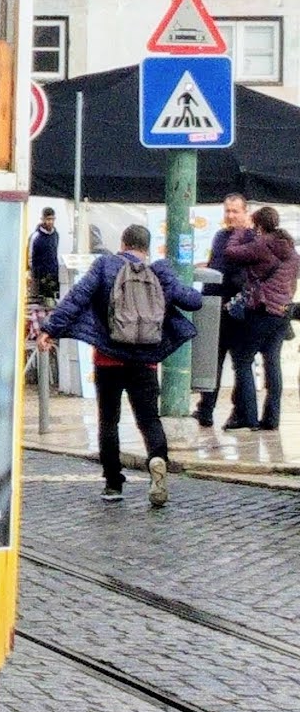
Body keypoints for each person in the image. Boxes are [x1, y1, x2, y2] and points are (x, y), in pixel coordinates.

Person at [42, 224, 202, 508]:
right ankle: (157, 461)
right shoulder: (159, 270)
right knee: (149, 419)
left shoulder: (105, 266)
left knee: (109, 420)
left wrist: (49, 329)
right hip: (146, 361)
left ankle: (113, 483)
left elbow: (76, 298)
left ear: (122, 243)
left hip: (108, 359)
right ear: (147, 248)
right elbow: (193, 301)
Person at [220, 206, 299, 431]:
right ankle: (272, 419)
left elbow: (231, 253)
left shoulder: (263, 245)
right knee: (272, 363)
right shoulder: (292, 251)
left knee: (243, 361)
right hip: (282, 313)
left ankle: (249, 418)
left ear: (260, 226)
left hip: (261, 312)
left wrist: (238, 231)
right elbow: (292, 283)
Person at [193, 192, 251, 429]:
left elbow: (242, 275)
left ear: (245, 212)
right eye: (227, 211)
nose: (230, 215)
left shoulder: (250, 238)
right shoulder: (220, 235)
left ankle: (240, 411)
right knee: (211, 361)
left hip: (235, 308)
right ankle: (205, 409)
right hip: (212, 305)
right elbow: (216, 264)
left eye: (235, 211)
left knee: (240, 363)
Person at [28, 208, 61, 306]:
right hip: (39, 276)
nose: (50, 222)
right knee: (38, 306)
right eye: (47, 219)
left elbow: (55, 253)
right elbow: (30, 258)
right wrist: (33, 275)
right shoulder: (35, 236)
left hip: (53, 275)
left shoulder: (56, 234)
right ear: (42, 219)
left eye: (52, 219)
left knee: (51, 305)